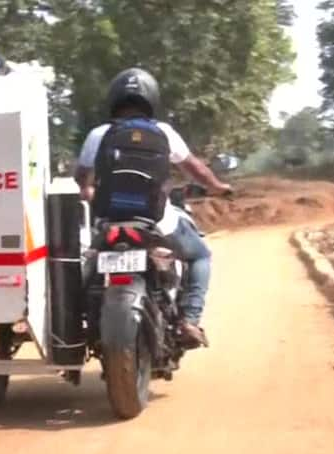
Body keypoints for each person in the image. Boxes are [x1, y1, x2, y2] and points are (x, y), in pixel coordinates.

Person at [74, 67, 233, 346]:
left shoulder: (97, 135)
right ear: (151, 100)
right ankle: (189, 321)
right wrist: (218, 187)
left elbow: (82, 179)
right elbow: (194, 168)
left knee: (85, 268)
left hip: (108, 221)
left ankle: (76, 324)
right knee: (200, 256)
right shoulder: (163, 132)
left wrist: (89, 193)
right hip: (157, 221)